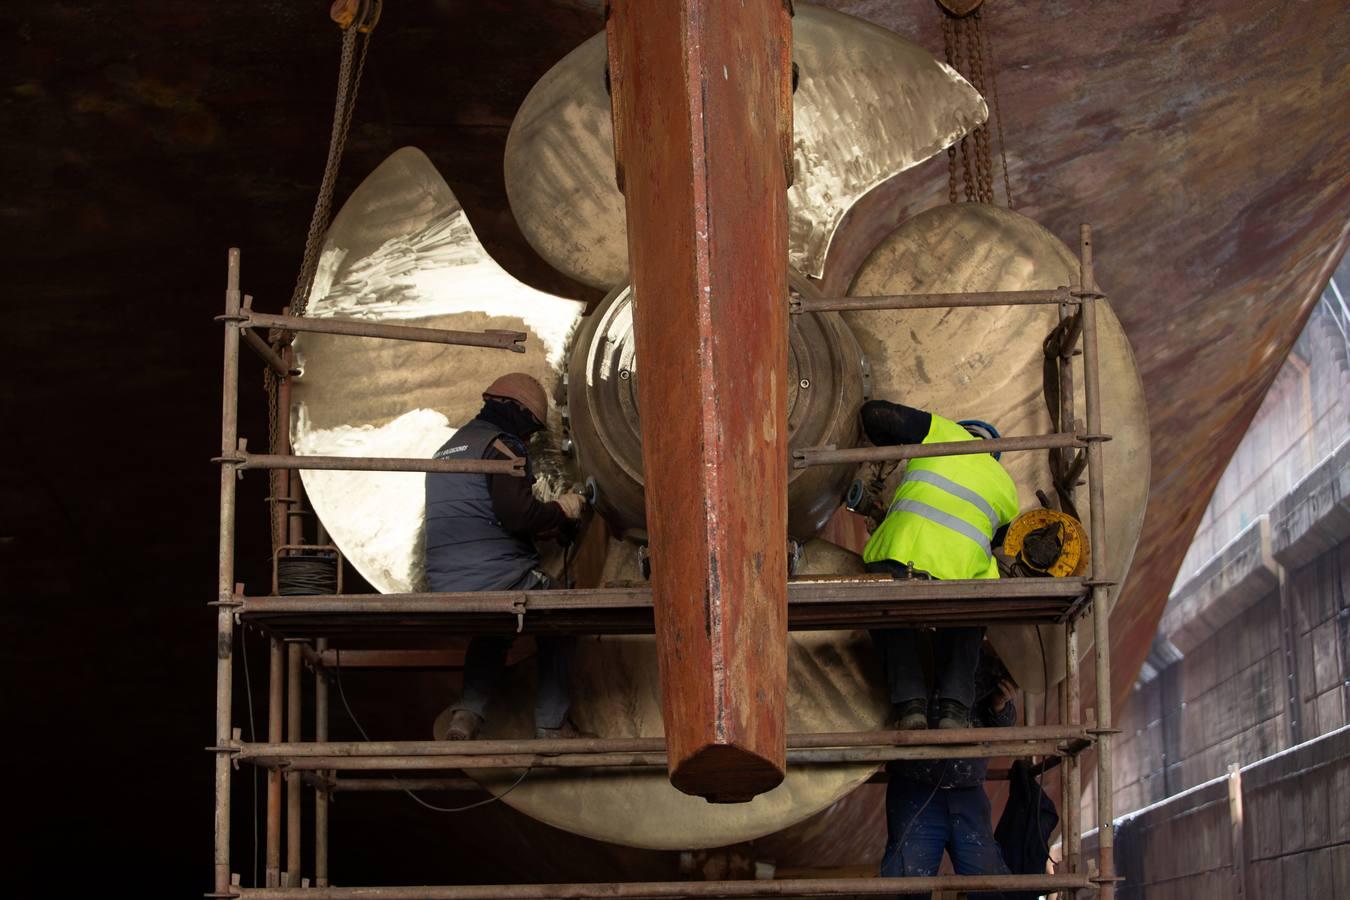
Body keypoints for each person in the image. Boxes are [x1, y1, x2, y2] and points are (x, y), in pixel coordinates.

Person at [425, 373, 588, 740]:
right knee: (563, 611)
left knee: (495, 628)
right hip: (492, 577)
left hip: (446, 582)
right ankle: (552, 725)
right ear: (515, 411)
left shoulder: (448, 449)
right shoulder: (502, 446)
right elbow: (518, 515)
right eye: (531, 429)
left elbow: (484, 514)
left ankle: (466, 716)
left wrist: (545, 525)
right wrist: (563, 509)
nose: (530, 440)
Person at [860, 399, 1020, 730]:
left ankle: (911, 704)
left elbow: (874, 413)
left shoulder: (942, 433)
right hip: (964, 578)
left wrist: (885, 452)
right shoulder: (1007, 489)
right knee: (969, 618)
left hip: (901, 555)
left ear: (963, 431)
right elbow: (1001, 545)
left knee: (886, 610)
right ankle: (954, 709)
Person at [881, 646, 1019, 894]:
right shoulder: (907, 645)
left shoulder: (983, 657)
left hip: (967, 789)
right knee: (907, 880)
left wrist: (1000, 705)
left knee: (989, 882)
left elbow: (1002, 724)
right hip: (914, 785)